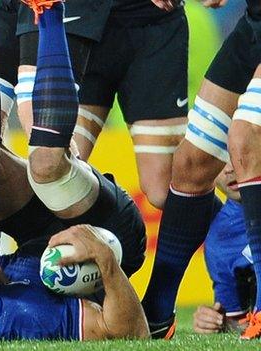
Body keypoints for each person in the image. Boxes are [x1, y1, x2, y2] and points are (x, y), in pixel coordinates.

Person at [139, 1, 261, 339]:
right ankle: (157, 315)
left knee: (246, 135)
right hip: (255, 23)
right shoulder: (221, 240)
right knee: (191, 164)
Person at [0, 224, 150, 341]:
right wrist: (105, 258)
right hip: (120, 235)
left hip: (46, 232)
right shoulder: (32, 318)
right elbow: (131, 335)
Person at [72, 0, 191, 209]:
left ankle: (236, 234)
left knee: (162, 189)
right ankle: (120, 227)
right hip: (80, 24)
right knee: (58, 172)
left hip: (153, 25)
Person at [193, 164, 256, 334]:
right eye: (218, 159)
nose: (228, 169)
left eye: (234, 152)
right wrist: (215, 323)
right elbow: (239, 322)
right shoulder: (221, 238)